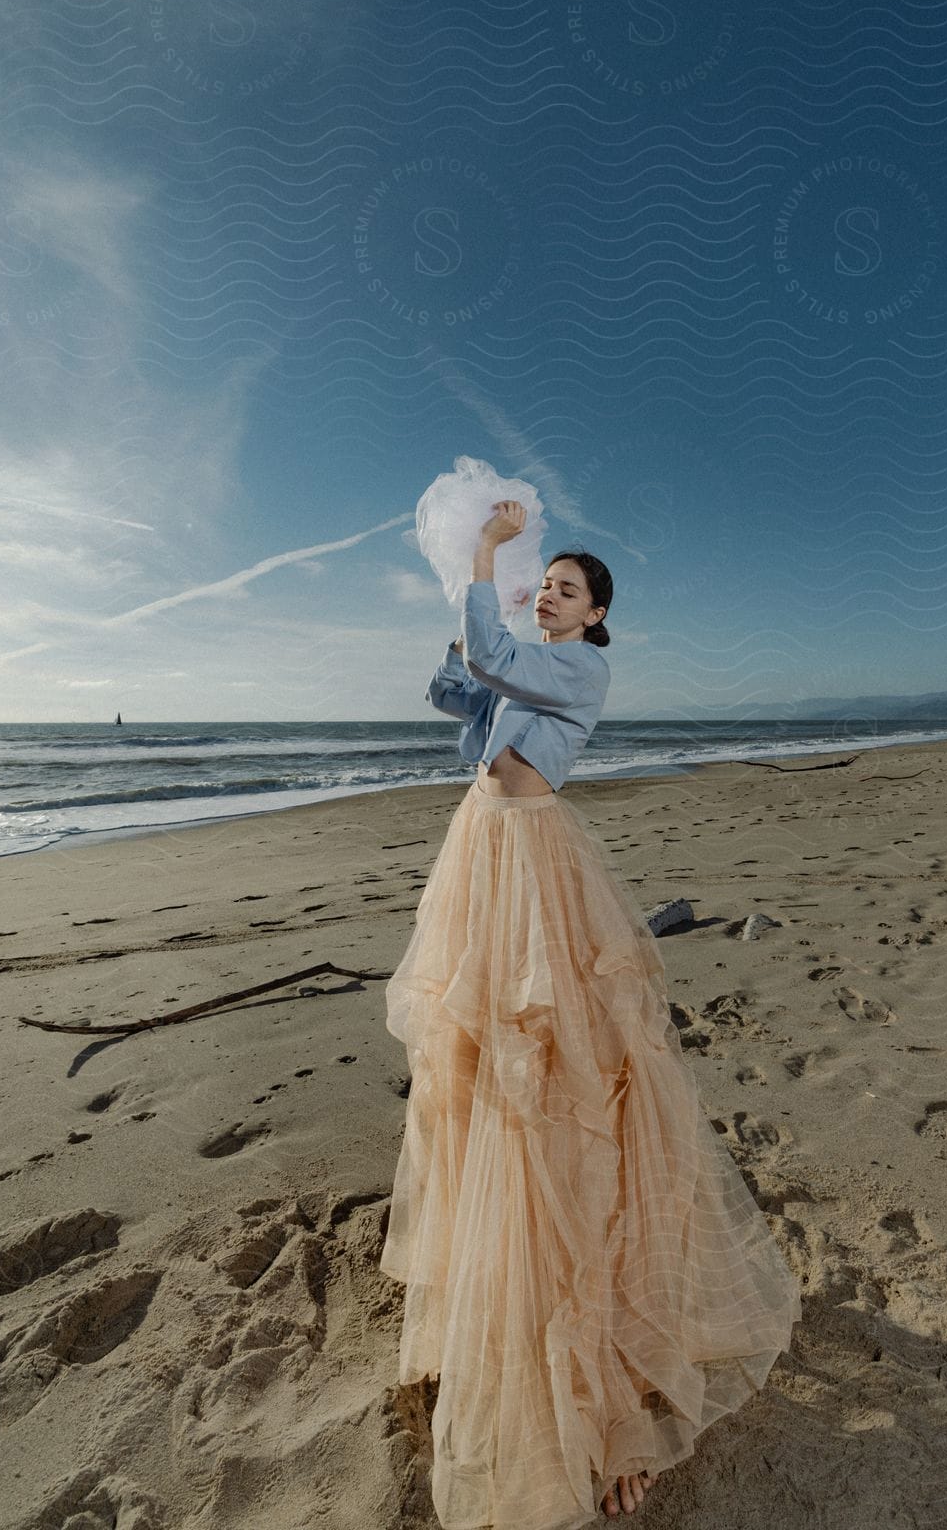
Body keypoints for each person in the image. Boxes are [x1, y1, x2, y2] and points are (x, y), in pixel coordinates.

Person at [380, 500, 801, 1529]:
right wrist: (463, 615)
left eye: (567, 589)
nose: (550, 595)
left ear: (596, 612)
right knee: (479, 1057)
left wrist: (484, 559)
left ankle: (604, 1375)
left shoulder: (578, 668)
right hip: (482, 846)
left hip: (536, 857)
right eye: (546, 584)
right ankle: (494, 1269)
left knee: (558, 1065)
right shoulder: (524, 659)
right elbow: (455, 693)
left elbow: (490, 662)